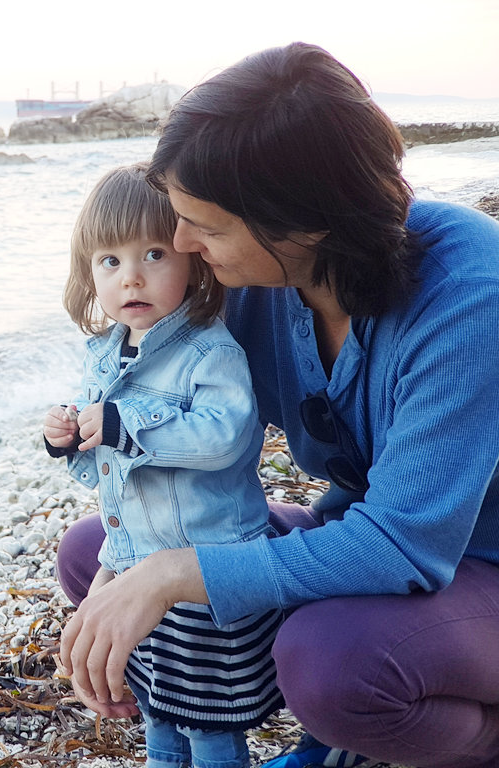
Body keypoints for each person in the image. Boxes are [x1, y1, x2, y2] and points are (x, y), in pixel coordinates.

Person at [55, 42, 499, 768]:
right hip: (368, 539)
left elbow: (402, 545)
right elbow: (165, 423)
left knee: (331, 663)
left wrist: (168, 575)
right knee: (92, 557)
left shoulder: (468, 290)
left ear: (305, 220)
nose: (180, 242)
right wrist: (128, 555)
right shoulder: (254, 284)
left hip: (471, 561)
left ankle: (469, 743)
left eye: (207, 224)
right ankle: (273, 725)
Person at [44, 162, 283, 768]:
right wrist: (72, 441)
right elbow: (111, 474)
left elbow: (223, 438)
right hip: (134, 560)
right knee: (158, 706)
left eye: (153, 254)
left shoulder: (208, 348)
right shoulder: (103, 354)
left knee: (208, 718)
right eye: (111, 262)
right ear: (89, 272)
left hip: (206, 564)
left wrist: (123, 427)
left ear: (191, 259)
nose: (132, 278)